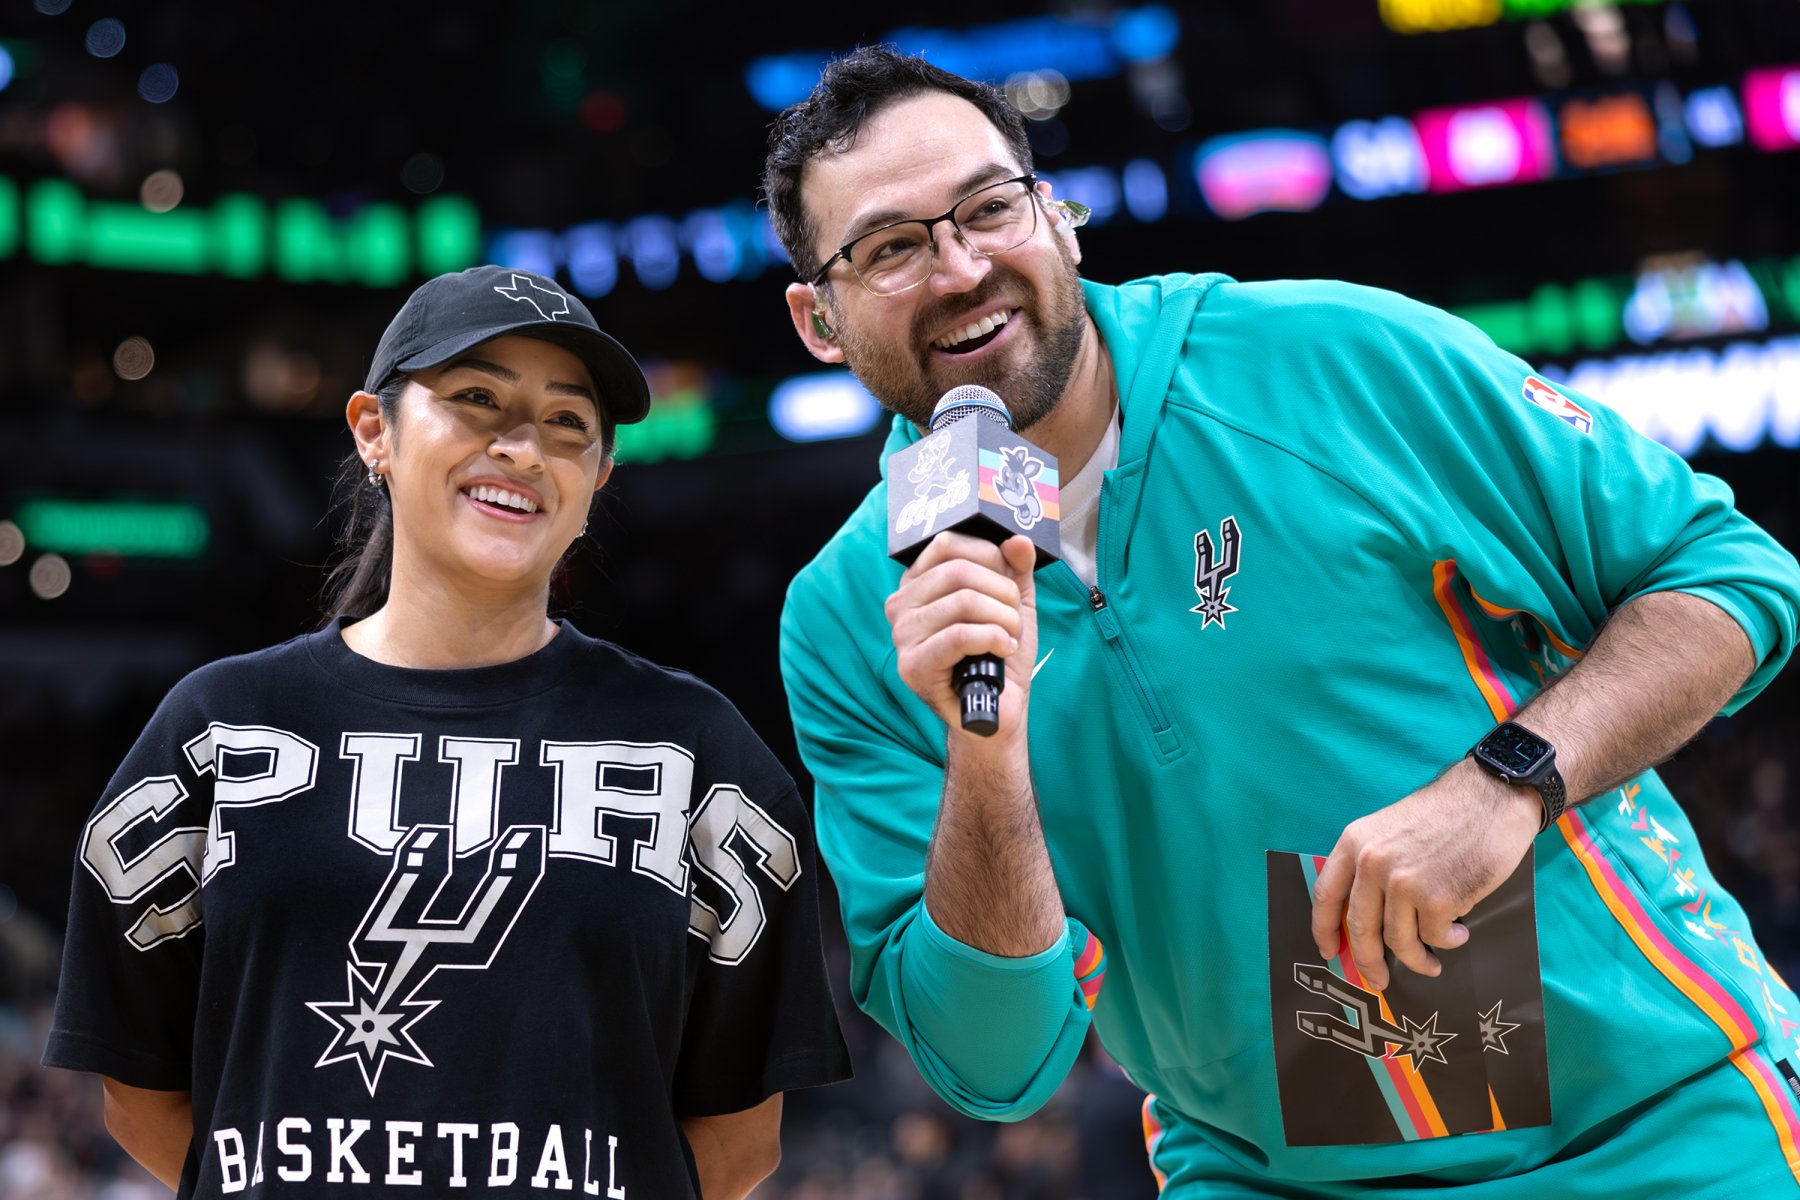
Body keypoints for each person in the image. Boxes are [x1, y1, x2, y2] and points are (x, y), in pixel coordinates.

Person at [766, 46, 1800, 1198]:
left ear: (1057, 218)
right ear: (819, 319)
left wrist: (1506, 783)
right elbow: (996, 1066)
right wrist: (986, 749)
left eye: (989, 209)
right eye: (891, 247)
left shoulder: (1328, 360)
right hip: (1268, 1176)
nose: (962, 268)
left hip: (1651, 1133)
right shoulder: (846, 619)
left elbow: (1727, 574)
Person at [43, 265, 851, 1198]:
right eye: (476, 399)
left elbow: (740, 1137)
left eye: (567, 422)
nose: (523, 447)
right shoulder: (213, 731)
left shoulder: (698, 753)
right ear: (373, 431)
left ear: (599, 475)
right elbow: (139, 1092)